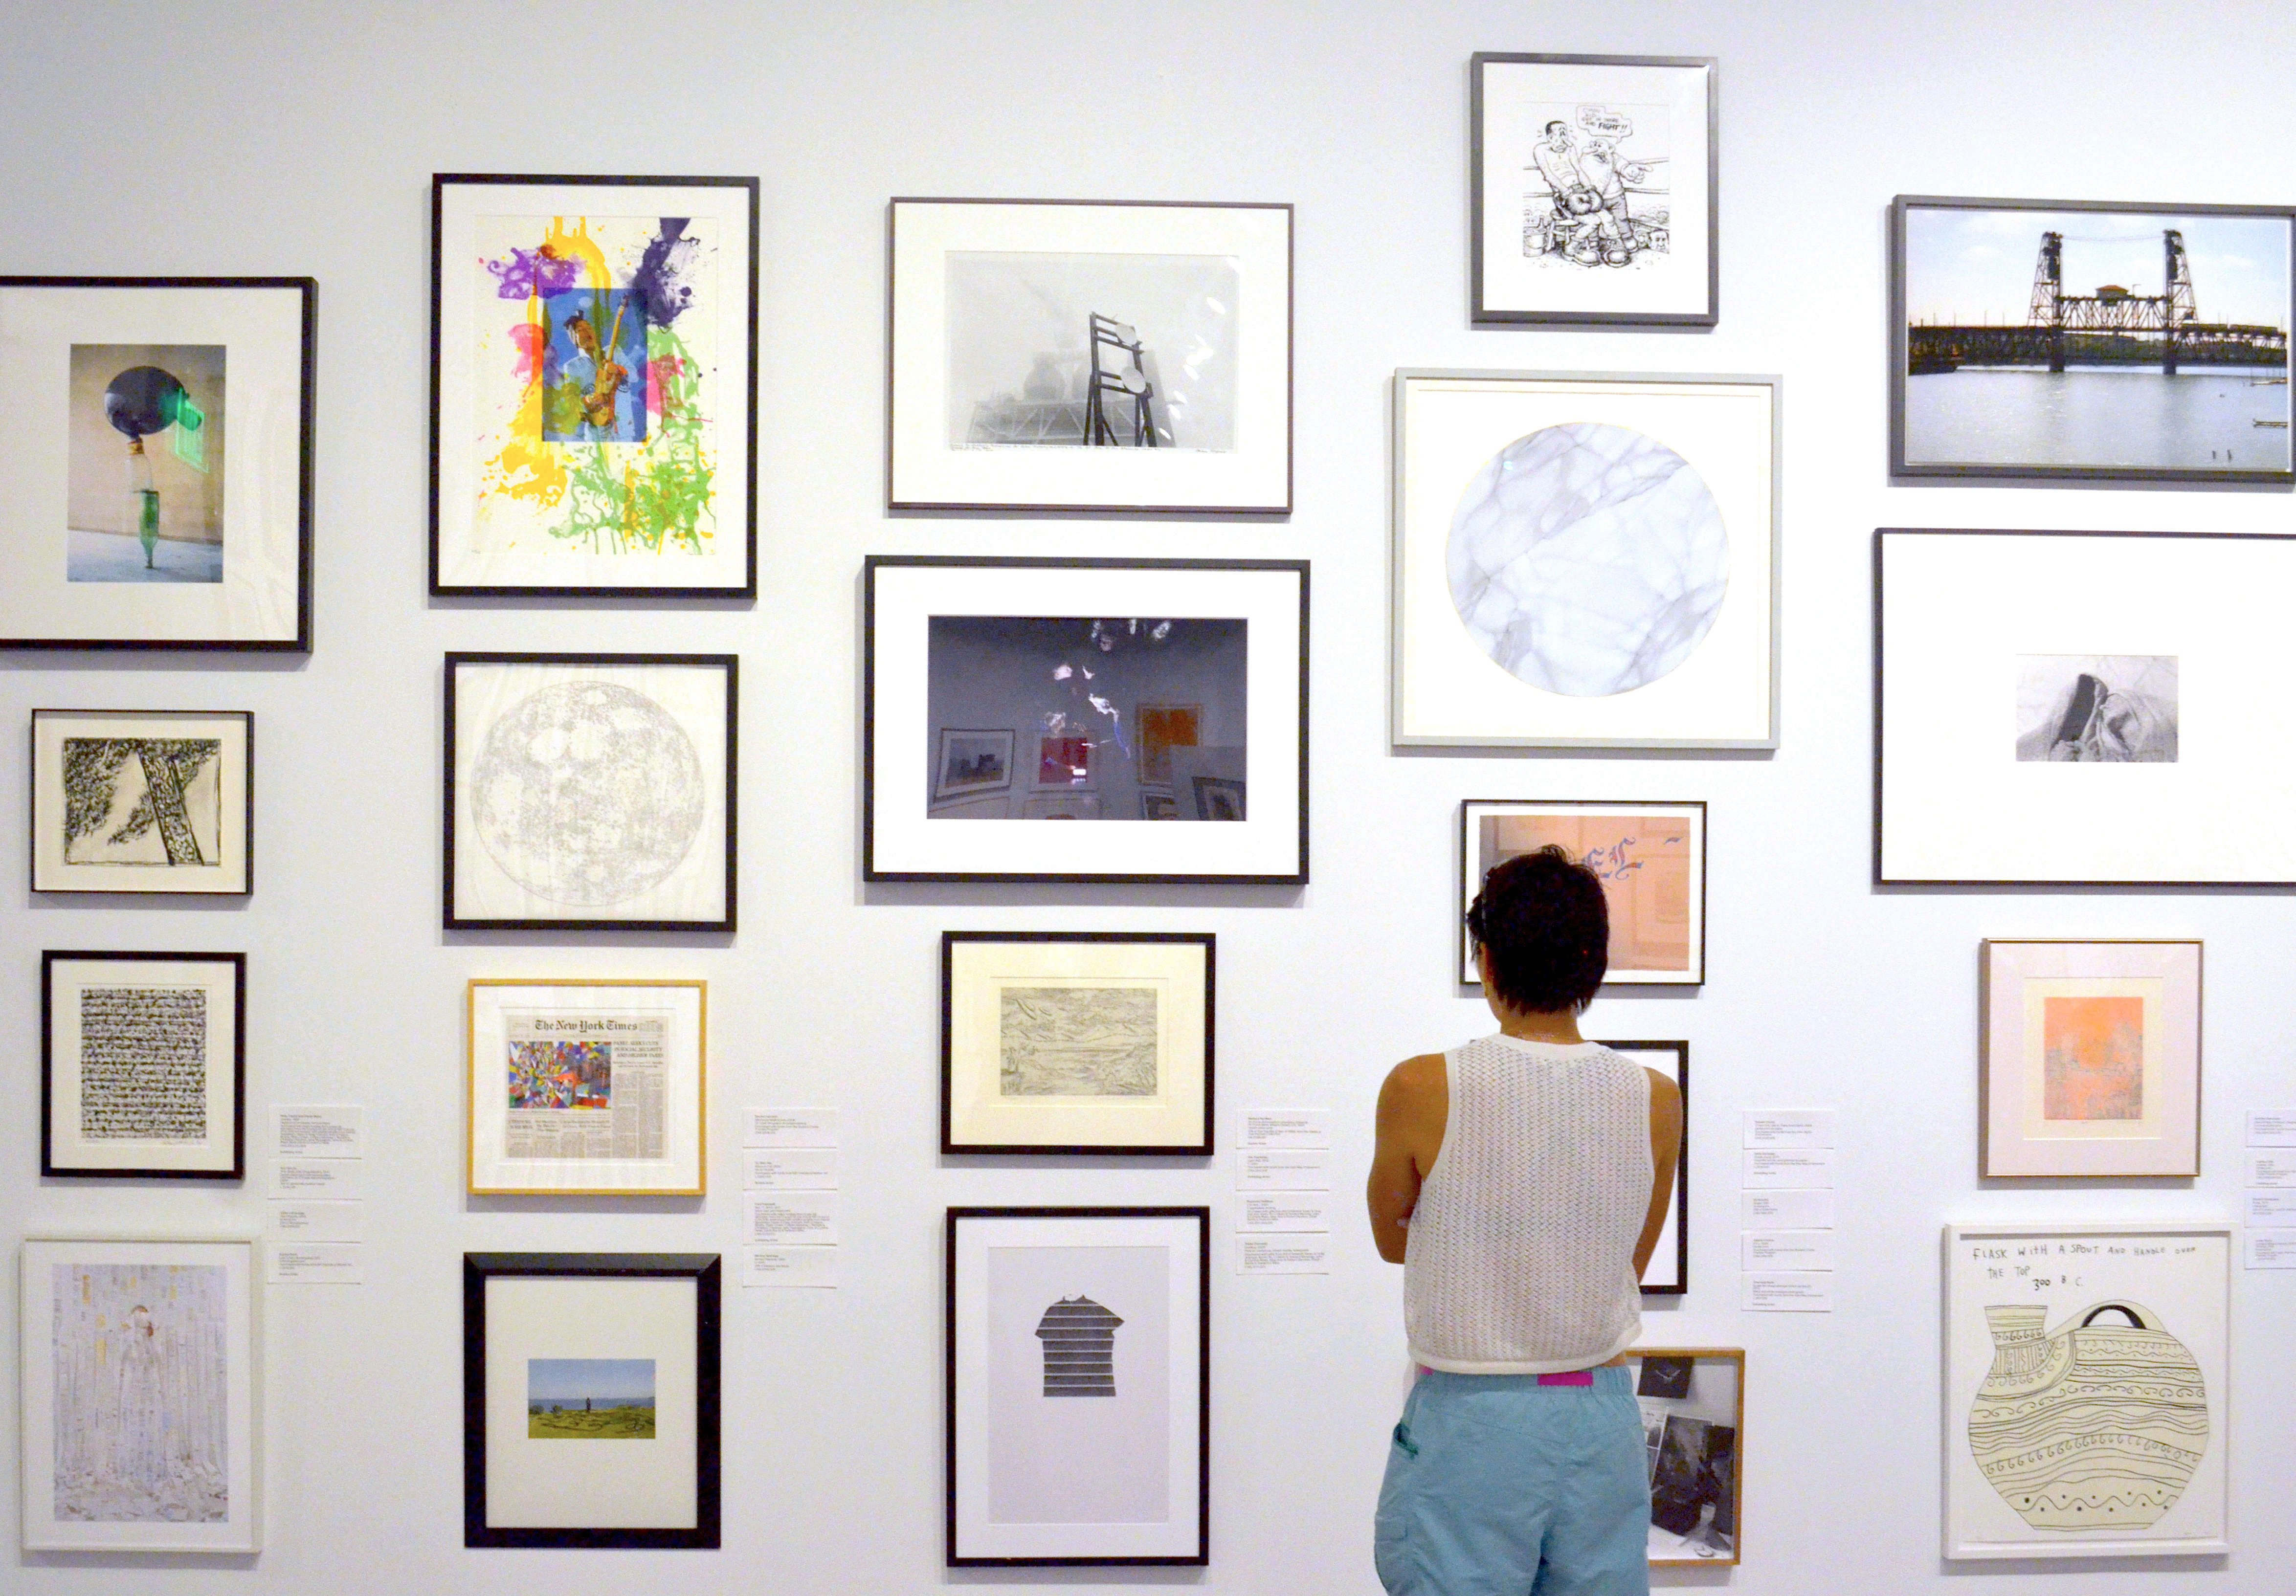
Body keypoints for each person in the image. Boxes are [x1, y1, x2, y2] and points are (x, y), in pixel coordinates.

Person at [1367, 845, 1683, 1596]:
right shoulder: (1654, 1096)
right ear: (1594, 964)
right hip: (1600, 1412)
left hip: (1474, 1414)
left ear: (1485, 957)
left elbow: (1391, 1240)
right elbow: (1627, 1263)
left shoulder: (1423, 1086)